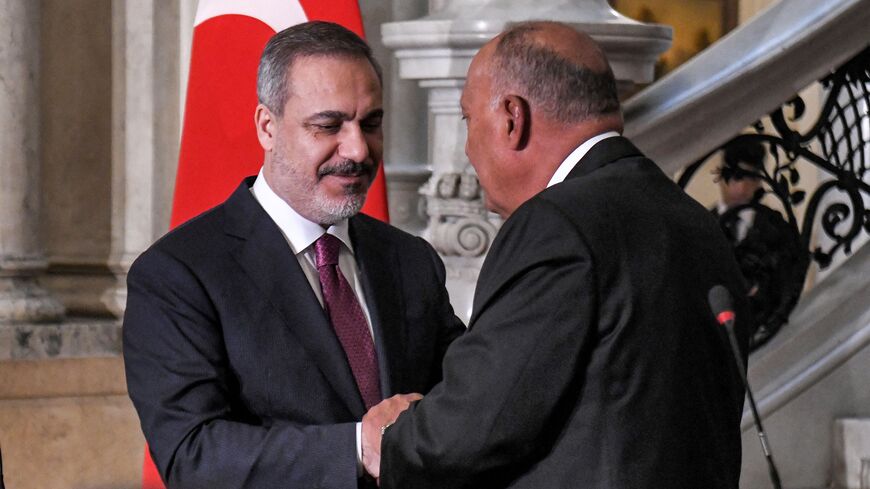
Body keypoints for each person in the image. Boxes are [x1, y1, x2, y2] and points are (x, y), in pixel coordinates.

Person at [364, 21, 752, 488]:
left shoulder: (555, 225)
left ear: (512, 118)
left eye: (468, 120)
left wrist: (389, 437)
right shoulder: (694, 219)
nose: (467, 148)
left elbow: (472, 430)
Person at [122, 21, 464, 489]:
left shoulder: (410, 260)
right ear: (267, 126)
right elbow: (192, 454)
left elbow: (463, 399)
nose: (358, 149)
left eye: (371, 123)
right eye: (328, 126)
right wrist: (356, 447)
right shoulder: (177, 275)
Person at [713, 140, 806, 348]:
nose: (742, 186)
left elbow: (788, 282)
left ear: (759, 181)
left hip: (768, 337)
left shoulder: (775, 229)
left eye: (751, 177)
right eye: (737, 176)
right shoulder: (701, 227)